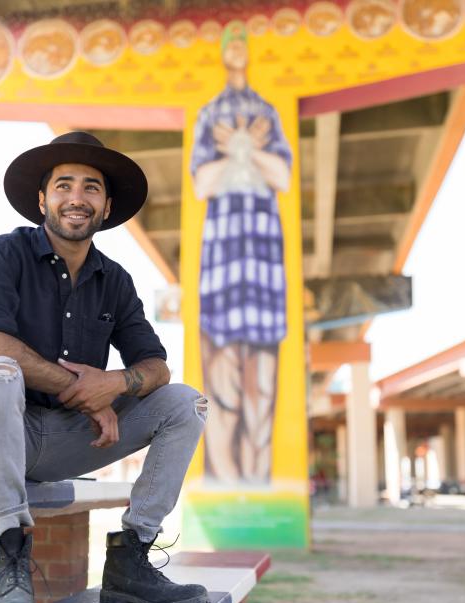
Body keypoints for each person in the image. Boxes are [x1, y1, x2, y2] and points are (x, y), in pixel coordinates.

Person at [0, 131, 210, 603]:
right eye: (63, 185)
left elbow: (156, 368)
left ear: (105, 206)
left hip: (54, 438)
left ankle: (131, 558)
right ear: (43, 200)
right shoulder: (1, 254)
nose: (77, 197)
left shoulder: (116, 280)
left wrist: (116, 385)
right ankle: (9, 562)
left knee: (185, 402)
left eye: (91, 188)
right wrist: (79, 390)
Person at [190, 21, 292, 484]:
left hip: (266, 270)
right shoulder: (209, 112)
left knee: (264, 386)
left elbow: (284, 176)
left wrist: (243, 151)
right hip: (222, 270)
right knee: (226, 385)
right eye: (228, 44)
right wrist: (242, 154)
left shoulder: (268, 111)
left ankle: (259, 482)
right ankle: (228, 482)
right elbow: (200, 182)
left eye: (240, 44)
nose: (235, 51)